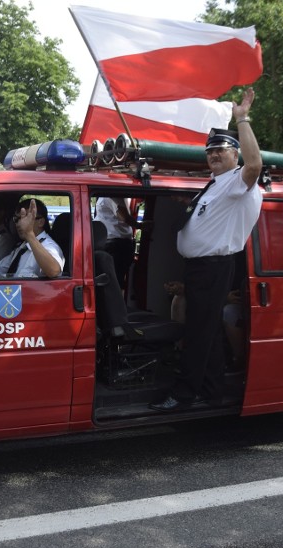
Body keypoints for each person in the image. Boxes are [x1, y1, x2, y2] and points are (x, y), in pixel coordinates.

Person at [150, 87, 263, 412]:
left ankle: (183, 394)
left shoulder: (240, 179)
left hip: (215, 266)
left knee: (197, 332)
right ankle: (210, 391)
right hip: (202, 268)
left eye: (221, 150)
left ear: (235, 154)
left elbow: (254, 165)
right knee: (209, 332)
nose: (213, 155)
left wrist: (242, 120)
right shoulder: (217, 185)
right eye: (209, 151)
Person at [0, 198, 64, 279]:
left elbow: (54, 271)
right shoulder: (21, 248)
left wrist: (29, 235)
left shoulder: (49, 246)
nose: (19, 223)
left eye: (25, 218)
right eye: (16, 219)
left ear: (41, 222)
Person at [94, 197, 141, 287]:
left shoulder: (113, 195)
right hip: (115, 244)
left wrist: (140, 225)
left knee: (112, 282)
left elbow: (124, 217)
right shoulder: (108, 196)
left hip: (115, 245)